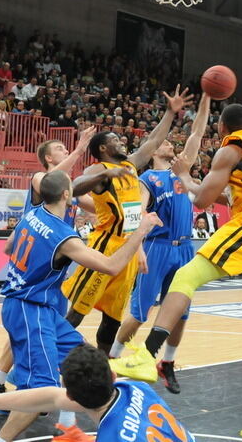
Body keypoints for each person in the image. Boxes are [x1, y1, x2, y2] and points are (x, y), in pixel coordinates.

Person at [110, 103, 242, 438]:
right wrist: (189, 177)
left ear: (223, 127)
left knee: (187, 277)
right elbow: (224, 195)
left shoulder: (230, 148)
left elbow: (201, 201)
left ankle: (146, 356)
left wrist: (183, 175)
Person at [0, 170, 161, 442]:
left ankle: (67, 427)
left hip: (39, 307)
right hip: (28, 309)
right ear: (67, 194)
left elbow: (9, 248)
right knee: (41, 392)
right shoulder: (63, 237)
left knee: (86, 362)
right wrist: (141, 230)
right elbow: (112, 266)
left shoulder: (32, 213)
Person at [0, 126, 97, 438]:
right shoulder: (40, 180)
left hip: (52, 278)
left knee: (43, 345)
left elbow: (96, 209)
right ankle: (0, 388)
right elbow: (57, 180)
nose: (66, 151)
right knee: (29, 339)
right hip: (35, 275)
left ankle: (14, 393)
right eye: (60, 148)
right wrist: (81, 147)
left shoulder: (68, 193)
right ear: (48, 157)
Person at [62, 86, 192, 355]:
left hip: (128, 250)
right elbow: (74, 187)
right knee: (77, 312)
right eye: (115, 140)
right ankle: (50, 358)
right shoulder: (99, 169)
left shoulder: (131, 165)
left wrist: (170, 112)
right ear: (103, 148)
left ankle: (106, 365)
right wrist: (103, 177)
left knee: (112, 318)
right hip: (104, 249)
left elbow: (153, 142)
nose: (121, 142)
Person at [109, 93, 211, 394]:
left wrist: (206, 96)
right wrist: (138, 248)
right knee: (140, 313)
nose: (171, 144)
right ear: (156, 151)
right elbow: (135, 214)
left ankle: (166, 362)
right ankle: (111, 358)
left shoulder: (180, 173)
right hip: (156, 247)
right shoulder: (147, 179)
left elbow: (198, 132)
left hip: (183, 249)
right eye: (166, 143)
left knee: (181, 312)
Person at [0, 344, 193, 442]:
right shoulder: (135, 387)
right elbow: (49, 396)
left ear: (71, 397)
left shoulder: (113, 436)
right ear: (113, 376)